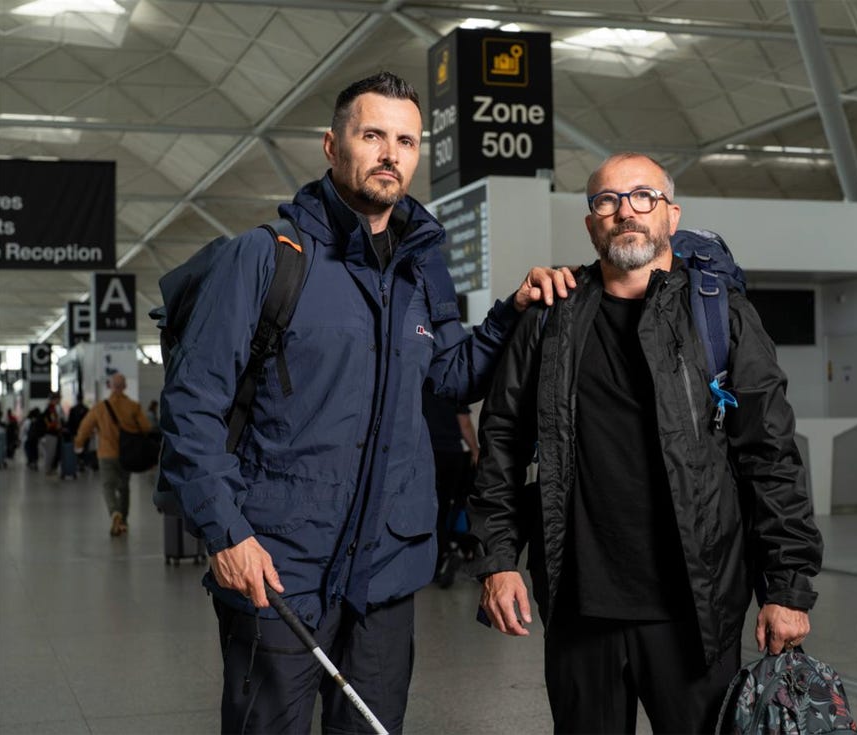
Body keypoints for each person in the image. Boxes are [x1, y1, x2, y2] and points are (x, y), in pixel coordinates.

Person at [159, 71, 575, 735]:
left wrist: (512, 312)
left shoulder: (419, 268)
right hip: (278, 560)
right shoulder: (265, 260)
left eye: (406, 140)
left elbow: (448, 375)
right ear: (332, 145)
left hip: (388, 563)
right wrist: (226, 532)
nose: (391, 153)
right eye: (372, 134)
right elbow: (190, 407)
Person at [467, 152, 823, 735]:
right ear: (590, 223)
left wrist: (787, 586)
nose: (624, 212)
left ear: (671, 215)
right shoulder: (549, 318)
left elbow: (770, 455)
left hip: (695, 609)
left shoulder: (721, 316)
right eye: (606, 200)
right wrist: (498, 559)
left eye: (642, 197)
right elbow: (502, 441)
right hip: (580, 608)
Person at [74, 374, 152, 536]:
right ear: (124, 387)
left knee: (108, 486)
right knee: (124, 487)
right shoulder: (133, 406)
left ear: (110, 386)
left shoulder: (100, 408)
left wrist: (79, 445)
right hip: (127, 454)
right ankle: (123, 520)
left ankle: (114, 512)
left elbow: (85, 427)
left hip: (106, 454)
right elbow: (146, 427)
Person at [422, 388, 480, 588]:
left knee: (430, 511)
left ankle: (437, 559)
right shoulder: (455, 388)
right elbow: (464, 424)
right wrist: (475, 451)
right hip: (452, 455)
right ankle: (449, 552)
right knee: (447, 507)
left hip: (427, 453)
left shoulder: (423, 388)